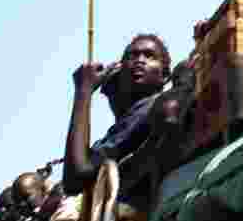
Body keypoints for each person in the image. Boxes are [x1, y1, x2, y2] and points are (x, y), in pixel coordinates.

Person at [62, 34, 171, 219]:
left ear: (165, 75)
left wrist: (83, 91)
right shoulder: (128, 122)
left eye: (149, 56)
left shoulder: (151, 108)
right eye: (132, 56)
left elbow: (76, 175)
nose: (139, 61)